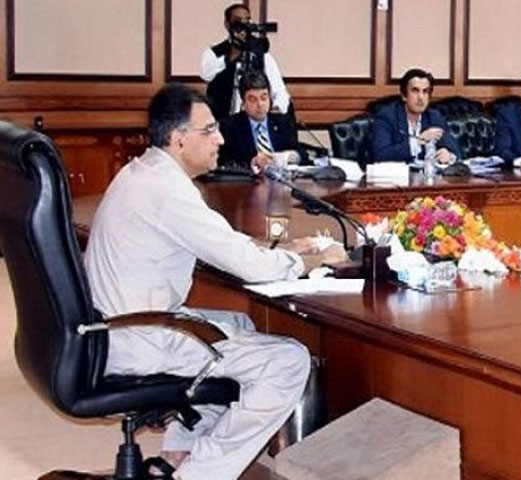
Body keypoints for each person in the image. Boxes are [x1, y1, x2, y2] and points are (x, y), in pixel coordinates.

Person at [84, 84, 346, 480]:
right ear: (178, 138)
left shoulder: (144, 172)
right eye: (208, 130)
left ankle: (178, 453)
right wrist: (313, 259)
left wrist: (282, 247)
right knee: (288, 360)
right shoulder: (167, 190)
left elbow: (222, 244)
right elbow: (251, 267)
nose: (220, 139)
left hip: (114, 328)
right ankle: (201, 475)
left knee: (238, 324)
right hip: (140, 339)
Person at [200, 3, 290, 119]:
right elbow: (206, 74)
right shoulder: (215, 52)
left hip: (253, 122)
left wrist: (276, 110)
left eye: (246, 21)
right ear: (227, 24)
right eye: (237, 21)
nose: (242, 26)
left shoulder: (261, 53)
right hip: (223, 119)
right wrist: (234, 53)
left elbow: (280, 91)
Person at [218, 70, 306, 172]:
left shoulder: (283, 122)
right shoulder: (230, 126)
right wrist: (251, 163)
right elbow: (226, 162)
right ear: (244, 103)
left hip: (282, 179)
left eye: (264, 98)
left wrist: (289, 156)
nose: (260, 104)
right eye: (253, 100)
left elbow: (303, 155)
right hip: (248, 180)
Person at [369, 68, 460, 164]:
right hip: (398, 173)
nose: (421, 97)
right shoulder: (386, 117)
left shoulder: (434, 117)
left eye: (425, 91)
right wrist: (417, 142)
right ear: (404, 96)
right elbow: (380, 155)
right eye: (415, 91)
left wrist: (449, 155)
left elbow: (455, 151)